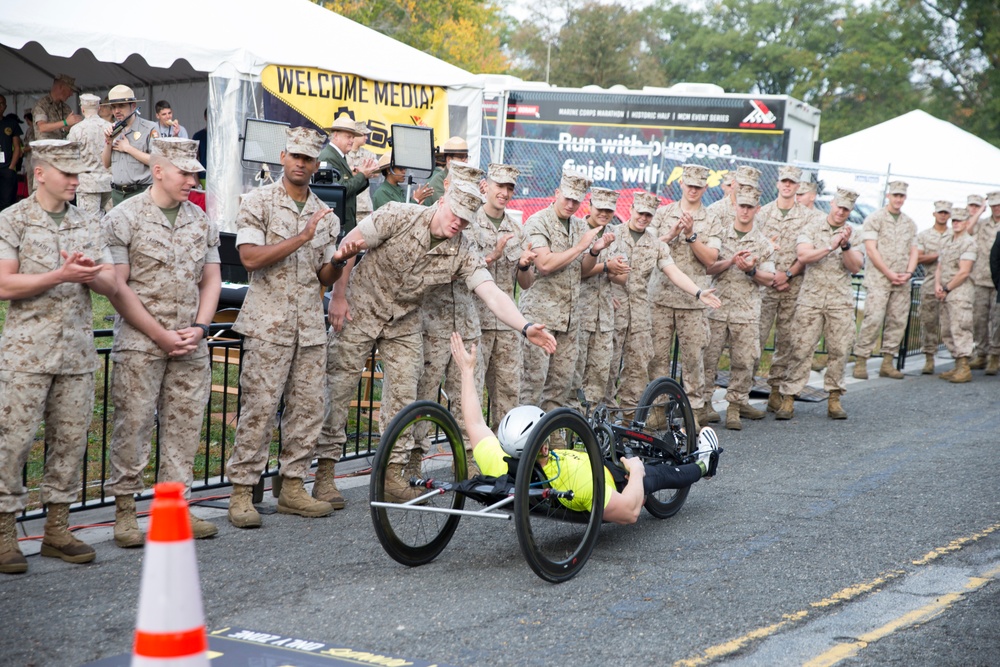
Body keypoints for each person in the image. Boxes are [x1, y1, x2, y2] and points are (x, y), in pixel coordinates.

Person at [318, 181, 557, 504]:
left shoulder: (462, 250)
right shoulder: (397, 215)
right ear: (442, 202)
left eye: (465, 220)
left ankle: (391, 474)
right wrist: (339, 297)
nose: (457, 222)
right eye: (455, 214)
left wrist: (525, 326)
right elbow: (349, 245)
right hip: (360, 309)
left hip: (404, 319)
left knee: (405, 395)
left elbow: (492, 293)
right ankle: (324, 473)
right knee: (339, 388)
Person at [226, 127, 358, 527]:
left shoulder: (324, 214)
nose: (301, 164)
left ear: (317, 164)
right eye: (295, 156)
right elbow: (250, 258)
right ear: (283, 157)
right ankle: (242, 491)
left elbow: (321, 276)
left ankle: (293, 485)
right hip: (268, 324)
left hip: (309, 328)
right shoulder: (258, 202)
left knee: (306, 410)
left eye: (308, 158)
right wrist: (303, 235)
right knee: (260, 411)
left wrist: (339, 260)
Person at [449, 333, 720, 525]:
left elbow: (474, 423)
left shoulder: (498, 463)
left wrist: (466, 371)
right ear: (542, 443)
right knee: (658, 473)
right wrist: (636, 473)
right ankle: (705, 464)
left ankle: (680, 439)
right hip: (615, 477)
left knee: (615, 437)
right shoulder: (575, 480)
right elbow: (628, 512)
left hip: (585, 457)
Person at [0, 140, 118, 574]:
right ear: (41, 172)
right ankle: (4, 534)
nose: (75, 181)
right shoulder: (13, 220)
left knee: (70, 442)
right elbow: (4, 286)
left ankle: (57, 529)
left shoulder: (88, 222)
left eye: (78, 173)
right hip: (26, 354)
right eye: (66, 172)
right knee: (12, 444)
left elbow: (110, 285)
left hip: (75, 354)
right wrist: (61, 275)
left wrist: (93, 274)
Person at [102, 138, 221, 547]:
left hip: (190, 342)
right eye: (184, 172)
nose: (192, 179)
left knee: (184, 430)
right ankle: (124, 513)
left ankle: (174, 511)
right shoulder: (123, 218)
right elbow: (117, 287)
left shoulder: (200, 220)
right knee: (132, 426)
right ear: (158, 170)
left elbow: (211, 278)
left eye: (195, 173)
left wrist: (202, 327)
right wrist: (159, 334)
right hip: (141, 342)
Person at [610, 191, 722, 412]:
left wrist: (699, 293)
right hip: (615, 311)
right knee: (607, 367)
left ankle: (628, 420)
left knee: (637, 371)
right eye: (640, 213)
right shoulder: (613, 235)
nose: (643, 218)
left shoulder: (656, 245)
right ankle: (600, 417)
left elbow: (674, 272)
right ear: (631, 210)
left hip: (640, 316)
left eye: (648, 215)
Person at [518, 168, 612, 415]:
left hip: (570, 319)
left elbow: (581, 270)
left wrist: (593, 251)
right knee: (532, 386)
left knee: (560, 387)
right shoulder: (538, 221)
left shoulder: (579, 225)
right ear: (557, 193)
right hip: (541, 318)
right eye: (567, 198)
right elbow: (545, 264)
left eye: (576, 201)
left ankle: (553, 436)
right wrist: (582, 245)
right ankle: (525, 443)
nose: (571, 205)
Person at [415, 162, 487, 475]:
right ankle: (413, 462)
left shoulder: (478, 223)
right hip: (432, 323)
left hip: (467, 322)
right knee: (425, 395)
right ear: (448, 185)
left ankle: (469, 462)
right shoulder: (431, 217)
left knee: (467, 393)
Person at [777, 188, 865, 420]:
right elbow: (804, 256)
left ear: (850, 210)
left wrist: (845, 246)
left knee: (839, 349)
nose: (841, 212)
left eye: (846, 209)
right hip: (811, 299)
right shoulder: (812, 227)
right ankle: (789, 397)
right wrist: (830, 246)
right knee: (801, 347)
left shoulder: (855, 234)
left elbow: (855, 266)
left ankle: (834, 397)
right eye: (839, 206)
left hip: (839, 301)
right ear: (832, 204)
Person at [648, 164, 722, 427]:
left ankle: (694, 411)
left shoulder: (712, 218)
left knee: (693, 358)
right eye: (689, 185)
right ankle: (657, 409)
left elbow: (711, 259)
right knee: (657, 356)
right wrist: (671, 234)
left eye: (698, 186)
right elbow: (650, 248)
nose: (693, 190)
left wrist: (691, 236)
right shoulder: (662, 213)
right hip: (661, 297)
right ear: (681, 184)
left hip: (694, 300)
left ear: (705, 188)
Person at [469, 163, 536, 429]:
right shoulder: (470, 222)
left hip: (507, 326)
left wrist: (524, 265)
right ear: (486, 186)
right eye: (500, 186)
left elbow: (526, 283)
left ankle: (505, 461)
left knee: (509, 396)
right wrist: (492, 256)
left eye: (510, 188)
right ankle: (471, 461)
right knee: (471, 393)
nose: (505, 193)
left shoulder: (516, 230)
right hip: (476, 322)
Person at [703, 184, 775, 430]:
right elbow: (707, 267)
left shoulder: (763, 243)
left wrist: (751, 270)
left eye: (749, 207)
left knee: (744, 360)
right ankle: (704, 405)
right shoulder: (719, 235)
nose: (745, 211)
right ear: (734, 206)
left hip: (746, 311)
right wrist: (730, 261)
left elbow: (770, 278)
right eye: (741, 206)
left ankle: (734, 407)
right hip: (717, 307)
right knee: (708, 358)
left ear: (757, 209)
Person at [755, 165, 809, 410]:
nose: (787, 185)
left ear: (798, 187)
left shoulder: (807, 216)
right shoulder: (762, 214)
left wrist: (788, 274)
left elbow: (807, 251)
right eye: (784, 181)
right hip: (764, 286)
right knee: (756, 338)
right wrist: (770, 276)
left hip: (792, 285)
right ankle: (743, 391)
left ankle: (776, 389)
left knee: (786, 340)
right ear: (777, 184)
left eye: (792, 182)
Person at [853, 181, 918, 380]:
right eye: (895, 195)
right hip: (879, 279)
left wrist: (909, 272)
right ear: (888, 195)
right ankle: (861, 360)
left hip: (902, 280)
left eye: (902, 196)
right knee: (873, 318)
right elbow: (871, 250)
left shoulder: (909, 223)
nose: (898, 199)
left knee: (897, 321)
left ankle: (888, 362)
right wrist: (889, 273)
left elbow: (914, 250)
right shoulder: (875, 218)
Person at [573, 187, 627, 409]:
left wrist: (614, 271)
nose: (604, 214)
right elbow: (578, 271)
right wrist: (605, 267)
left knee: (599, 375)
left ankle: (591, 426)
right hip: (579, 312)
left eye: (609, 210)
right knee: (574, 374)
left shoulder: (616, 233)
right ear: (590, 206)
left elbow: (623, 278)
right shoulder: (578, 230)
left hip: (603, 315)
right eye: (600, 209)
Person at [934, 207, 977, 383]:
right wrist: (937, 285)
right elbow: (940, 266)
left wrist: (947, 288)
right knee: (947, 329)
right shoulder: (947, 241)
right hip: (946, 291)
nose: (956, 223)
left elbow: (964, 272)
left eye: (960, 220)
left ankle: (964, 367)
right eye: (954, 221)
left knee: (960, 328)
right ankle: (957, 365)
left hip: (960, 292)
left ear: (967, 222)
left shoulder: (969, 243)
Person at [317, 114, 378, 235]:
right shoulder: (329, 157)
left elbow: (348, 190)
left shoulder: (338, 155)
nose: (352, 140)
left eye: (353, 137)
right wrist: (362, 175)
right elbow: (338, 191)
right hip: (336, 225)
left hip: (343, 222)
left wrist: (364, 176)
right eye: (348, 137)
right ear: (335, 135)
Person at [101, 85, 159, 206]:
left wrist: (128, 148)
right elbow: (106, 164)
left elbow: (157, 161)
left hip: (140, 193)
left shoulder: (149, 128)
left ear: (133, 106)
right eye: (114, 107)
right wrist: (108, 142)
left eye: (121, 106)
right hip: (118, 194)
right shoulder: (113, 129)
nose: (117, 111)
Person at [915, 201, 952, 374]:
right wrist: (938, 256)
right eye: (940, 212)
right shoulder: (924, 235)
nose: (942, 215)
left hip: (951, 285)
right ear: (934, 214)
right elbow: (917, 258)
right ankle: (929, 358)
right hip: (930, 283)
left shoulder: (955, 235)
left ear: (949, 215)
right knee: (929, 322)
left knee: (952, 323)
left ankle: (958, 359)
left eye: (945, 213)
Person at [967, 192, 1000, 374]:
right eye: (994, 205)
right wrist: (979, 212)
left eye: (999, 205)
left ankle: (995, 355)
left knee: (998, 320)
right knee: (979, 318)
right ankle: (981, 354)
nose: (997, 209)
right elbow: (967, 231)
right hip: (980, 278)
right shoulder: (982, 225)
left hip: (998, 281)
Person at [66, 94, 113, 217]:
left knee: (90, 224)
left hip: (87, 185)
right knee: (113, 221)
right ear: (98, 108)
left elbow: (70, 158)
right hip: (109, 182)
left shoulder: (76, 129)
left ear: (82, 109)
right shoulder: (110, 127)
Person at [32, 75, 81, 141]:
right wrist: (65, 122)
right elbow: (42, 127)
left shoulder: (65, 108)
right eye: (70, 90)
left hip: (62, 149)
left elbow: (68, 128)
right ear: (60, 87)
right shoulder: (42, 105)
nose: (71, 94)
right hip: (46, 149)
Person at [423, 136, 469, 206]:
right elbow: (448, 208)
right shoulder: (439, 181)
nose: (465, 161)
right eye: (461, 157)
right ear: (449, 160)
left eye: (466, 157)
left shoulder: (464, 179)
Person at [347, 121, 376, 222]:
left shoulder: (369, 155)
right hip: (348, 204)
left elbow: (376, 172)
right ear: (355, 135)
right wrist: (358, 170)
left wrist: (356, 171)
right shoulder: (343, 154)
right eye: (364, 135)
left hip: (364, 206)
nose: (366, 138)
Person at [0, 95, 23, 211]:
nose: (0, 106)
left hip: (7, 168)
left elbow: (17, 147)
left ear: (5, 106)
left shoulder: (11, 123)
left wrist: (11, 167)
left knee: (7, 203)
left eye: (2, 103)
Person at [190, 109, 208, 184]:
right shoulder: (198, 136)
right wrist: (197, 180)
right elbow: (193, 159)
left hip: (220, 179)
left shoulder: (222, 136)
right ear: (205, 117)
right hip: (203, 177)